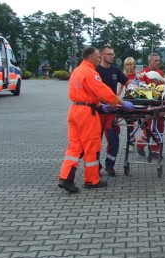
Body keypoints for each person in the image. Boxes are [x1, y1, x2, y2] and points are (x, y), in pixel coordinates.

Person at [58, 47, 135, 193]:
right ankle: (91, 180)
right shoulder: (91, 73)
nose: (99, 59)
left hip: (75, 110)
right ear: (92, 57)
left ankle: (66, 178)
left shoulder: (76, 71)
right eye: (98, 57)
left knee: (74, 147)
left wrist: (100, 106)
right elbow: (103, 91)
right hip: (87, 113)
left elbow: (85, 92)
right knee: (91, 146)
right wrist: (121, 102)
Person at [97, 45, 132, 177]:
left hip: (111, 111)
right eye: (109, 54)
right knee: (95, 141)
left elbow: (128, 82)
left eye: (112, 54)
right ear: (101, 55)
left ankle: (110, 165)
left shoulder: (115, 71)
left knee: (113, 139)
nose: (112, 56)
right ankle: (96, 166)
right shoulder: (95, 71)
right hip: (98, 111)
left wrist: (134, 86)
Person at [136, 52, 165, 158]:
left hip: (160, 104)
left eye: (158, 60)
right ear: (149, 61)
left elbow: (164, 86)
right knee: (150, 127)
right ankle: (140, 144)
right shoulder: (142, 73)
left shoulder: (161, 73)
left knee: (160, 126)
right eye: (155, 61)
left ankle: (155, 150)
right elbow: (141, 89)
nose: (158, 63)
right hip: (148, 105)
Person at [118, 56, 138, 148]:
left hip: (138, 100)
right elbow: (120, 88)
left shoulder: (138, 75)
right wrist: (114, 98)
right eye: (127, 64)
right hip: (128, 100)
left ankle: (139, 139)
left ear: (134, 65)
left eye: (130, 64)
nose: (129, 66)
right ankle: (131, 140)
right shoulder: (124, 76)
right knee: (129, 121)